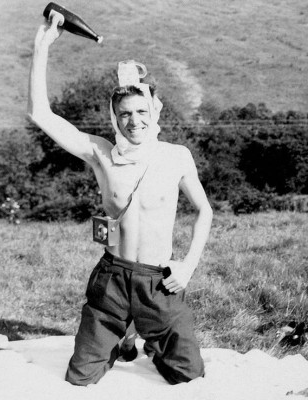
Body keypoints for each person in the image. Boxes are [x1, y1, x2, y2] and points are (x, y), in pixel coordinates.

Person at [27, 13, 213, 386]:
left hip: (158, 282)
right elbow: (39, 113)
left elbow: (204, 210)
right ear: (114, 118)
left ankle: (147, 339)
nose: (134, 121)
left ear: (154, 111)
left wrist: (188, 266)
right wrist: (42, 46)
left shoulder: (176, 156)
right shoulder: (102, 154)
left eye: (141, 112)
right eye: (124, 114)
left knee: (189, 373)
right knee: (80, 378)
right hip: (112, 278)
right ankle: (121, 334)